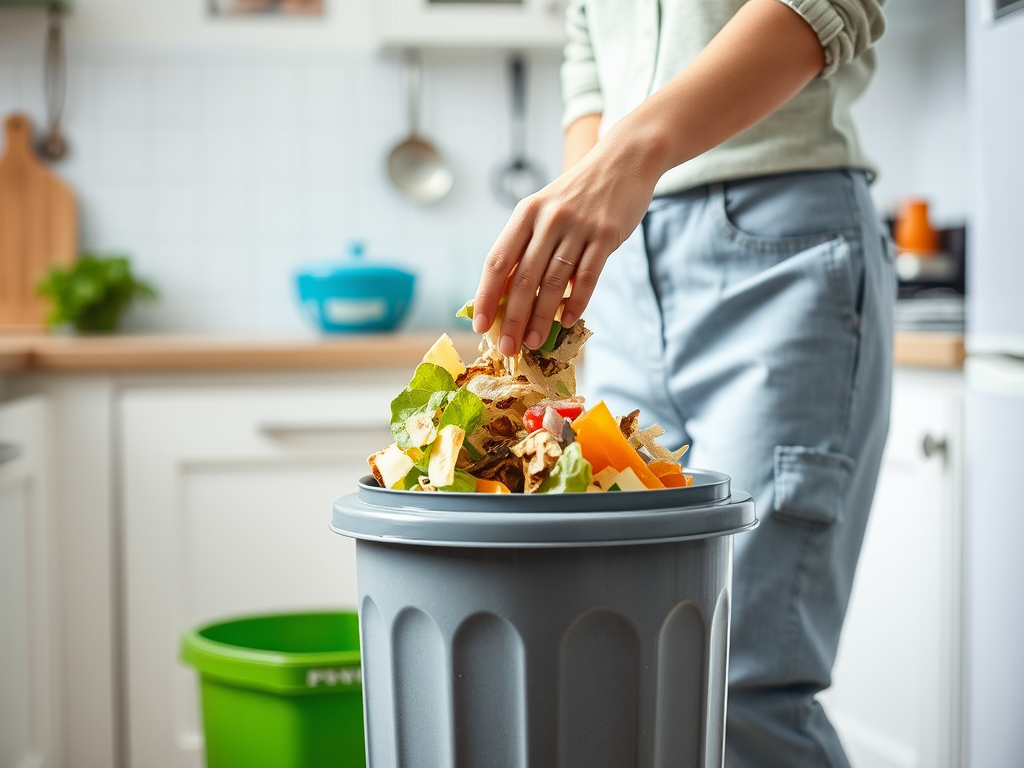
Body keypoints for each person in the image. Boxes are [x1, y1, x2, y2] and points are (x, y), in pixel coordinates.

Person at [472, 0, 896, 765]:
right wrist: (578, 221)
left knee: (737, 688)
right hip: (623, 271)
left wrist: (625, 159)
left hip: (779, 253)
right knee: (629, 674)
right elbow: (587, 46)